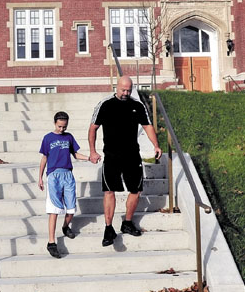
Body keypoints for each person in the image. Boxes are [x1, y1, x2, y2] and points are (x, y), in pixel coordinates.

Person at [88, 75, 162, 247]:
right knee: (109, 191)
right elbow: (93, 129)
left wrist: (156, 145)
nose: (126, 93)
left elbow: (147, 126)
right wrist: (92, 151)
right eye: (123, 90)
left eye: (129, 90)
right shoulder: (105, 105)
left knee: (136, 190)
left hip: (132, 156)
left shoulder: (137, 105)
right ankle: (108, 228)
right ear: (117, 87)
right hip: (112, 156)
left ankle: (127, 222)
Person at [38, 111, 91, 259]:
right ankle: (51, 242)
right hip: (53, 176)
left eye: (64, 126)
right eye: (60, 126)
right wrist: (40, 177)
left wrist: (88, 158)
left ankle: (65, 226)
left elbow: (75, 154)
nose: (62, 129)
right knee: (54, 210)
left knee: (71, 209)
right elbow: (44, 158)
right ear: (55, 123)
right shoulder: (48, 138)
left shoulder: (69, 137)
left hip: (67, 174)